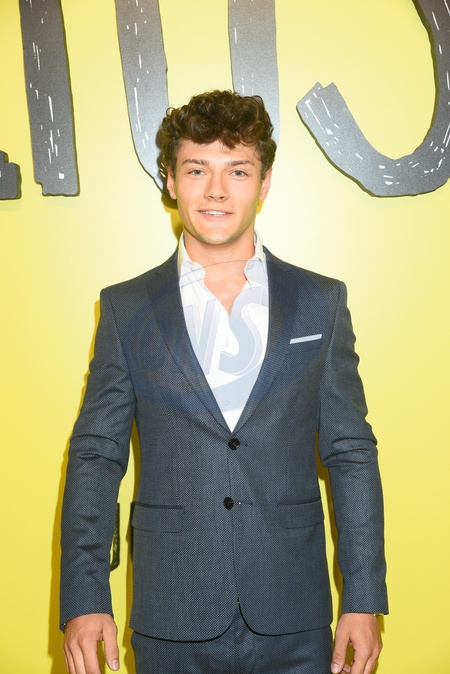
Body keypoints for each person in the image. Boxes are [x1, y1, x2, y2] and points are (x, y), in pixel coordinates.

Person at [60, 90, 388, 674]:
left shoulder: (321, 301)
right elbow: (96, 455)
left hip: (295, 610)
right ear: (170, 180)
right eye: (197, 169)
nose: (216, 190)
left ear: (264, 183)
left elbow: (351, 452)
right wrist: (86, 597)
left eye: (237, 171)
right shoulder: (126, 308)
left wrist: (363, 596)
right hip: (171, 612)